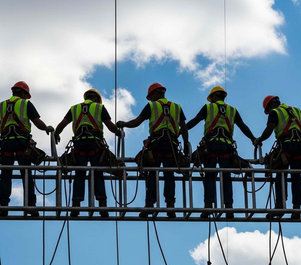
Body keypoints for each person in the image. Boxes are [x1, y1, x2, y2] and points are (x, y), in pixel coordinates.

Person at [116, 82, 189, 218]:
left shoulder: (152, 106)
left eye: (151, 96)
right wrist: (185, 144)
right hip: (171, 146)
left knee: (152, 174)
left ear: (155, 94)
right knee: (169, 175)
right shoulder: (176, 107)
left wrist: (124, 124)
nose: (151, 99)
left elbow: (137, 122)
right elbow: (183, 128)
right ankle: (170, 207)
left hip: (156, 145)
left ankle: (150, 205)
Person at [187, 86, 256, 219]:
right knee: (226, 176)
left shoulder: (208, 108)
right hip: (227, 147)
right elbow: (243, 127)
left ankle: (208, 206)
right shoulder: (232, 110)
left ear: (213, 97)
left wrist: (180, 130)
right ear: (223, 97)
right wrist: (253, 139)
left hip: (211, 147)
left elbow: (195, 121)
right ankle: (229, 208)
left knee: (210, 176)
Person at [55, 88, 121, 217]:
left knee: (79, 173)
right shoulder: (99, 108)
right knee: (97, 172)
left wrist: (56, 134)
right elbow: (110, 125)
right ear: (96, 99)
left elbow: (62, 124)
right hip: (95, 143)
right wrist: (118, 132)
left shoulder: (75, 108)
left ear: (86, 98)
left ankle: (75, 205)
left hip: (79, 144)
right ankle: (102, 204)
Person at [254, 95, 301, 219]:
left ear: (270, 105)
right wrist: (296, 120)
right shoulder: (295, 110)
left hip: (287, 147)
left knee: (280, 174)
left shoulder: (275, 112)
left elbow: (269, 130)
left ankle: (280, 207)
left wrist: (259, 140)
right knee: (296, 176)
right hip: (300, 147)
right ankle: (296, 209)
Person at [0, 81, 53, 217]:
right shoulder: (25, 104)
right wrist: (46, 128)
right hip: (22, 145)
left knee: (6, 175)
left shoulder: (2, 105)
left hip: (5, 143)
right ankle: (30, 206)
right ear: (23, 93)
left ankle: (3, 206)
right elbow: (37, 122)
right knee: (27, 174)